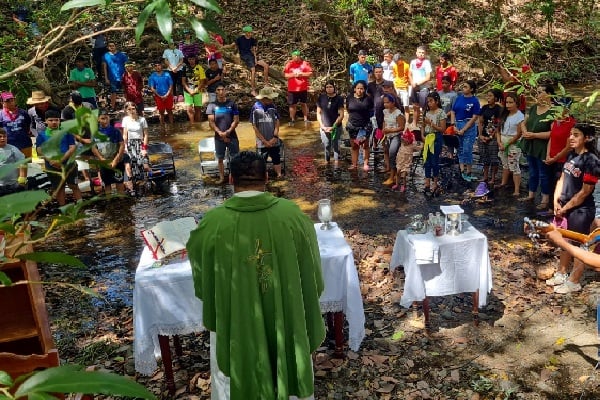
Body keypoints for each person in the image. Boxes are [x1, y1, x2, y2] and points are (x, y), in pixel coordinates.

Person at [186, 150, 325, 400]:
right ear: (267, 178)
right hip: (286, 315)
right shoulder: (293, 216)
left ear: (230, 179)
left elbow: (200, 269)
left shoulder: (213, 223)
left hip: (238, 319)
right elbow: (312, 271)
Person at [545, 124, 600, 294]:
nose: (571, 138)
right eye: (570, 134)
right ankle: (562, 272)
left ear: (587, 138)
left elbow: (585, 192)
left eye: (576, 135)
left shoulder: (592, 161)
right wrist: (555, 200)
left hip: (581, 210)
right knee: (564, 242)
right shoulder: (571, 154)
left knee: (578, 245)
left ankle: (574, 281)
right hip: (564, 207)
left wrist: (566, 207)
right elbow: (562, 178)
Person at [35, 109, 82, 206]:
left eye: (56, 120)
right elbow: (40, 151)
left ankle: (80, 206)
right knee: (59, 188)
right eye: (51, 120)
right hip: (52, 166)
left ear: (59, 121)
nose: (54, 122)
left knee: (74, 185)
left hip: (69, 163)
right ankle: (63, 209)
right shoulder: (42, 135)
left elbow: (72, 147)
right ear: (46, 121)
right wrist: (51, 161)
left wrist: (61, 160)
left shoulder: (67, 132)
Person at [519, 83, 555, 209]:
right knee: (532, 172)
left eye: (540, 92)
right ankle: (531, 195)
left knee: (544, 174)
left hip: (543, 147)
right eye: (537, 92)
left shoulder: (553, 111)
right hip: (531, 144)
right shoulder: (534, 108)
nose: (537, 95)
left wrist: (534, 135)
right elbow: (524, 122)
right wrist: (524, 131)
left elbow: (552, 133)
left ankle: (545, 199)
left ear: (549, 94)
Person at [205, 83, 240, 184]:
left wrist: (228, 131)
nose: (221, 92)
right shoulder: (211, 105)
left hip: (232, 135)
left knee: (235, 158)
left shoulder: (232, 104)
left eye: (222, 90)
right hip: (218, 137)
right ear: (216, 92)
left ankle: (234, 177)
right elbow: (211, 122)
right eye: (218, 90)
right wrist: (220, 132)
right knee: (220, 158)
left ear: (226, 91)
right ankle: (221, 177)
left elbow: (236, 120)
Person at [545, 97, 576, 203]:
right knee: (550, 183)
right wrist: (548, 155)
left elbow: (569, 147)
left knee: (561, 186)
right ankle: (550, 208)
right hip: (551, 159)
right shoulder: (555, 121)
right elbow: (551, 138)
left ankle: (561, 210)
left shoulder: (571, 124)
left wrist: (555, 158)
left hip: (563, 161)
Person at [450, 80, 481, 181]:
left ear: (471, 89)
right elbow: (453, 111)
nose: (463, 88)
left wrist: (464, 129)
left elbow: (474, 117)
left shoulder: (475, 101)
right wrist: (453, 125)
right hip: (457, 124)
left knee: (467, 149)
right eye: (463, 86)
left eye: (466, 87)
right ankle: (462, 170)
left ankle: (469, 171)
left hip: (469, 127)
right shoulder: (458, 98)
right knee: (460, 148)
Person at [496, 93, 525, 197]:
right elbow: (498, 130)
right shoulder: (504, 114)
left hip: (513, 143)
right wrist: (499, 142)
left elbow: (518, 134)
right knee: (505, 164)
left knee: (514, 165)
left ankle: (517, 189)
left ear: (516, 103)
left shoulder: (520, 116)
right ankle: (503, 183)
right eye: (507, 102)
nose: (508, 105)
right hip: (502, 140)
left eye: (510, 102)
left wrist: (507, 144)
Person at [251, 86, 282, 178]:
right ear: (264, 98)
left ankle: (279, 175)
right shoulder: (255, 108)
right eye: (270, 98)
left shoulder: (273, 107)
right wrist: (264, 141)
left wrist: (275, 137)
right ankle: (263, 178)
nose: (272, 100)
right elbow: (254, 126)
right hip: (261, 141)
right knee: (261, 160)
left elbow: (277, 122)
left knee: (276, 158)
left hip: (273, 140)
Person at [93, 109, 126, 195]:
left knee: (119, 182)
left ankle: (121, 201)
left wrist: (116, 159)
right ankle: (110, 202)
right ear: (98, 119)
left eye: (107, 118)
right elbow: (93, 148)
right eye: (103, 118)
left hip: (117, 161)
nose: (105, 121)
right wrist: (101, 159)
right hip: (104, 162)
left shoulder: (115, 131)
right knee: (107, 184)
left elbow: (122, 145)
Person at [421, 91, 446, 195]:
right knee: (426, 160)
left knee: (434, 161)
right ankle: (427, 182)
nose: (429, 103)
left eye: (431, 101)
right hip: (427, 137)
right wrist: (422, 135)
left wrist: (431, 123)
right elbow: (422, 125)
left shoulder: (441, 113)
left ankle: (435, 183)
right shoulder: (426, 112)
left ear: (437, 101)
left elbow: (442, 129)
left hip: (436, 137)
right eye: (428, 101)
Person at [345, 80, 374, 172]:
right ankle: (354, 164)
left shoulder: (368, 99)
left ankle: (365, 164)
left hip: (364, 125)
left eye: (362, 88)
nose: (360, 90)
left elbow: (372, 110)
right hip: (352, 125)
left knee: (365, 145)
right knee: (354, 146)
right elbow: (348, 109)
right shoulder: (349, 98)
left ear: (364, 89)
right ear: (354, 89)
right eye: (358, 88)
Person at [233, 25, 270, 96]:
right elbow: (235, 47)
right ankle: (253, 89)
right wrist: (237, 55)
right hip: (245, 55)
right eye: (248, 33)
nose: (250, 34)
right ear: (245, 33)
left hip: (251, 55)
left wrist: (255, 58)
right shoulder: (240, 39)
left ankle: (266, 84)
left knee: (266, 65)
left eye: (250, 33)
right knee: (253, 70)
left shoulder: (252, 40)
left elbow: (253, 50)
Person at [477, 88, 503, 186]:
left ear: (496, 98)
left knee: (494, 158)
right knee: (484, 157)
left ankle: (493, 178)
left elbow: (499, 125)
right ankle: (485, 176)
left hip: (494, 136)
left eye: (490, 96)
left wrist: (491, 137)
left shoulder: (498, 109)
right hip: (483, 135)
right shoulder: (484, 108)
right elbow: (480, 122)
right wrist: (480, 135)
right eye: (487, 95)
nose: (488, 98)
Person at [316, 80, 344, 166]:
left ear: (334, 88)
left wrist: (334, 126)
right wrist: (322, 126)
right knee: (327, 145)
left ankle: (336, 163)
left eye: (331, 87)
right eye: (327, 87)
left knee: (336, 146)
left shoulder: (339, 98)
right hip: (324, 127)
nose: (329, 89)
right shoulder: (321, 97)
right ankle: (327, 162)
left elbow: (341, 114)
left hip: (336, 126)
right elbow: (318, 113)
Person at [121, 101, 150, 181]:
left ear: (136, 109)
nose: (131, 111)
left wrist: (144, 148)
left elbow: (146, 135)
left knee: (145, 166)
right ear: (126, 111)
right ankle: (132, 184)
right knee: (129, 167)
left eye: (133, 109)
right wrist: (125, 147)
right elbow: (125, 135)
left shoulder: (142, 120)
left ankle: (150, 180)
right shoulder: (125, 120)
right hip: (130, 144)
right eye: (129, 109)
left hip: (140, 143)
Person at [380, 93, 405, 187]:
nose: (385, 104)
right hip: (387, 135)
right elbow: (384, 121)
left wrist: (390, 130)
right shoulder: (385, 111)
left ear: (393, 102)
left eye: (387, 102)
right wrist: (384, 130)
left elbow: (402, 127)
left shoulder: (398, 113)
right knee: (387, 153)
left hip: (396, 136)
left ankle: (392, 177)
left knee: (392, 154)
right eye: (384, 103)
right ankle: (393, 174)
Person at [284, 50, 313, 126]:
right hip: (292, 89)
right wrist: (294, 75)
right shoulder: (289, 64)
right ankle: (292, 119)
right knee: (292, 104)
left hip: (303, 88)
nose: (296, 57)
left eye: (297, 56)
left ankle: (306, 118)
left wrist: (302, 74)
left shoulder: (305, 63)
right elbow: (286, 76)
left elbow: (310, 73)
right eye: (294, 56)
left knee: (304, 103)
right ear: (292, 57)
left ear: (300, 56)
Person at [0, 91, 33, 158]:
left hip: (25, 144)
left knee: (25, 165)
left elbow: (28, 125)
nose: (11, 102)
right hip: (9, 146)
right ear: (2, 102)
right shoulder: (1, 114)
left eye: (12, 100)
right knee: (11, 165)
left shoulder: (23, 112)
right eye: (7, 101)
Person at [408, 45, 433, 128]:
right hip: (414, 87)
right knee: (415, 107)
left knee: (424, 108)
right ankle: (414, 124)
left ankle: (423, 125)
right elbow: (409, 74)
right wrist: (412, 83)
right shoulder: (413, 62)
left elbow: (428, 77)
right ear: (416, 53)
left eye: (423, 53)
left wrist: (418, 83)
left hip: (423, 88)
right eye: (419, 52)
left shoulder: (426, 63)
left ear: (425, 54)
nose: (421, 54)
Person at [0, 128, 27, 196]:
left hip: (13, 184)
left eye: (4, 136)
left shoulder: (12, 149)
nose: (3, 138)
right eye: (0, 137)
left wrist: (22, 179)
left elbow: (22, 163)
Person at [103, 42, 128, 111]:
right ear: (108, 47)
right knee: (113, 92)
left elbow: (126, 66)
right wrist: (106, 78)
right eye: (110, 46)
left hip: (122, 76)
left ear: (115, 46)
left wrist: (128, 75)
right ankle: (113, 107)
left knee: (125, 91)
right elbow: (105, 67)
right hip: (112, 77)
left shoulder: (122, 55)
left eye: (113, 45)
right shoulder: (106, 55)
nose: (111, 47)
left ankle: (127, 106)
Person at [181, 54, 206, 123]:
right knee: (189, 109)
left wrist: (196, 90)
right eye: (190, 59)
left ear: (195, 59)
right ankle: (192, 125)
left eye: (193, 59)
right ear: (187, 60)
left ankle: (197, 124)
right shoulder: (184, 68)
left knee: (198, 109)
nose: (191, 61)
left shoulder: (200, 68)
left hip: (197, 91)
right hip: (187, 91)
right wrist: (189, 91)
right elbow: (183, 82)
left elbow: (202, 81)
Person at [148, 60, 174, 126]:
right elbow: (152, 88)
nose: (157, 67)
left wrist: (167, 94)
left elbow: (171, 85)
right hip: (158, 97)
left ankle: (172, 126)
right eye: (156, 66)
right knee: (161, 112)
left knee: (170, 111)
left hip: (168, 96)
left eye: (159, 65)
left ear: (161, 66)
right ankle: (162, 128)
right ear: (154, 67)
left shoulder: (167, 74)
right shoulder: (152, 76)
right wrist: (160, 96)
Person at [394, 128, 415, 194]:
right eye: (403, 140)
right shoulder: (402, 144)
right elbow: (401, 136)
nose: (404, 141)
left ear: (409, 141)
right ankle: (397, 184)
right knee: (397, 172)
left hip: (406, 162)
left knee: (404, 175)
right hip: (400, 161)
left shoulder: (411, 146)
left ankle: (403, 185)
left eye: (406, 140)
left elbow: (418, 146)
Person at [392, 53, 410, 121]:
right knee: (396, 105)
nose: (396, 63)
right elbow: (394, 76)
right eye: (395, 62)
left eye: (397, 61)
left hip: (404, 88)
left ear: (400, 59)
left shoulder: (406, 66)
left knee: (406, 105)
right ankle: (397, 120)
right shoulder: (394, 66)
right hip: (396, 87)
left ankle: (407, 122)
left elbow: (409, 76)